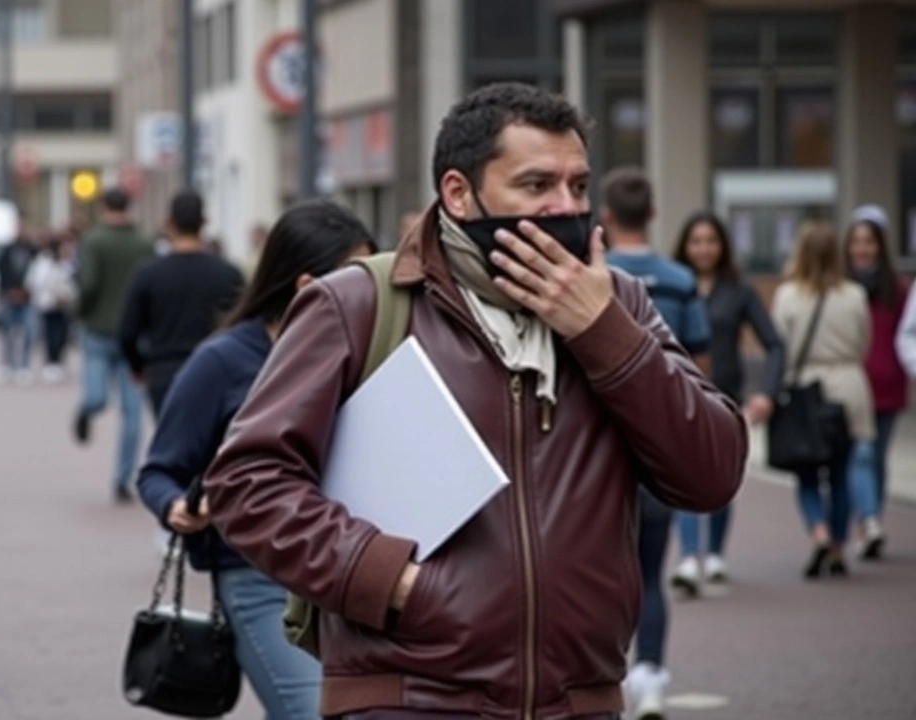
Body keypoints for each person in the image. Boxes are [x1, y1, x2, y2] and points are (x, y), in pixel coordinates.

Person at [203, 82, 747, 720]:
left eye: (577, 185)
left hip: (580, 700)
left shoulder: (616, 303)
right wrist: (395, 583)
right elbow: (248, 484)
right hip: (409, 697)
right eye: (536, 185)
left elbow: (712, 473)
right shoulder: (358, 302)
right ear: (459, 193)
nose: (564, 207)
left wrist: (601, 333)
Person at [138, 201, 374, 720]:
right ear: (307, 284)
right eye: (357, 278)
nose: (372, 294)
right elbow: (158, 471)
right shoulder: (222, 361)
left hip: (348, 576)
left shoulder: (372, 353)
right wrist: (176, 506)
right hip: (257, 577)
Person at [599, 167, 711, 717]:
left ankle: (599, 678)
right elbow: (699, 365)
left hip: (601, 451)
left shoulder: (587, 276)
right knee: (649, 573)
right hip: (658, 448)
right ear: (654, 215)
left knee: (592, 570)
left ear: (605, 216)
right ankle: (650, 674)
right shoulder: (681, 281)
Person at [671, 211, 785, 586]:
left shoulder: (739, 290)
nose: (704, 249)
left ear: (723, 246)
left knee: (721, 478)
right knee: (684, 475)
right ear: (685, 246)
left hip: (726, 398)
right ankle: (689, 557)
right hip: (680, 396)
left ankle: (716, 554)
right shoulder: (675, 285)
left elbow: (774, 344)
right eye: (696, 241)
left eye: (711, 241)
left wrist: (766, 393)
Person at [771, 221, 878, 577]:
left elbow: (779, 348)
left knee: (806, 474)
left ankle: (818, 531)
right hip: (848, 386)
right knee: (842, 473)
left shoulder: (788, 296)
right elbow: (864, 342)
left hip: (804, 389)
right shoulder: (854, 295)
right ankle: (837, 546)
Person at [118, 190, 245, 415]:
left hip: (164, 372)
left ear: (169, 222)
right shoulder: (228, 274)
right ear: (204, 222)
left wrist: (139, 366)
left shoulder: (148, 274)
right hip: (215, 371)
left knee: (172, 441)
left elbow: (127, 332)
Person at [73, 188, 156, 502]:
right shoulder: (144, 244)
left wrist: (79, 311)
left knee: (96, 396)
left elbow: (88, 283)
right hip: (135, 335)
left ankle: (86, 410)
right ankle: (123, 477)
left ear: (103, 207)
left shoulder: (93, 240)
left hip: (98, 329)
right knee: (132, 412)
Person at [844, 205, 909, 546]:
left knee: (876, 456)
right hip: (855, 384)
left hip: (888, 382)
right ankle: (868, 520)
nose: (862, 248)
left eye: (868, 241)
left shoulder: (897, 289)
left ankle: (872, 518)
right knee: (862, 453)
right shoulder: (841, 286)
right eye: (856, 241)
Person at [28, 233, 78, 384]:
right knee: (50, 335)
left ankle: (59, 361)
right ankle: (51, 362)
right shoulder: (43, 262)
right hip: (48, 304)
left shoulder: (67, 263)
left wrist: (67, 295)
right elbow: (36, 281)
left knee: (62, 335)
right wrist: (52, 293)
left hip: (63, 305)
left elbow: (72, 281)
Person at [0, 215, 39, 385]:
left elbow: (39, 272)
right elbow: (1, 271)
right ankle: (7, 364)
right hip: (9, 296)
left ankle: (24, 365)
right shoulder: (6, 249)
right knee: (8, 333)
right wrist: (7, 291)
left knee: (28, 332)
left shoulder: (32, 249)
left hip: (27, 298)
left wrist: (29, 291)